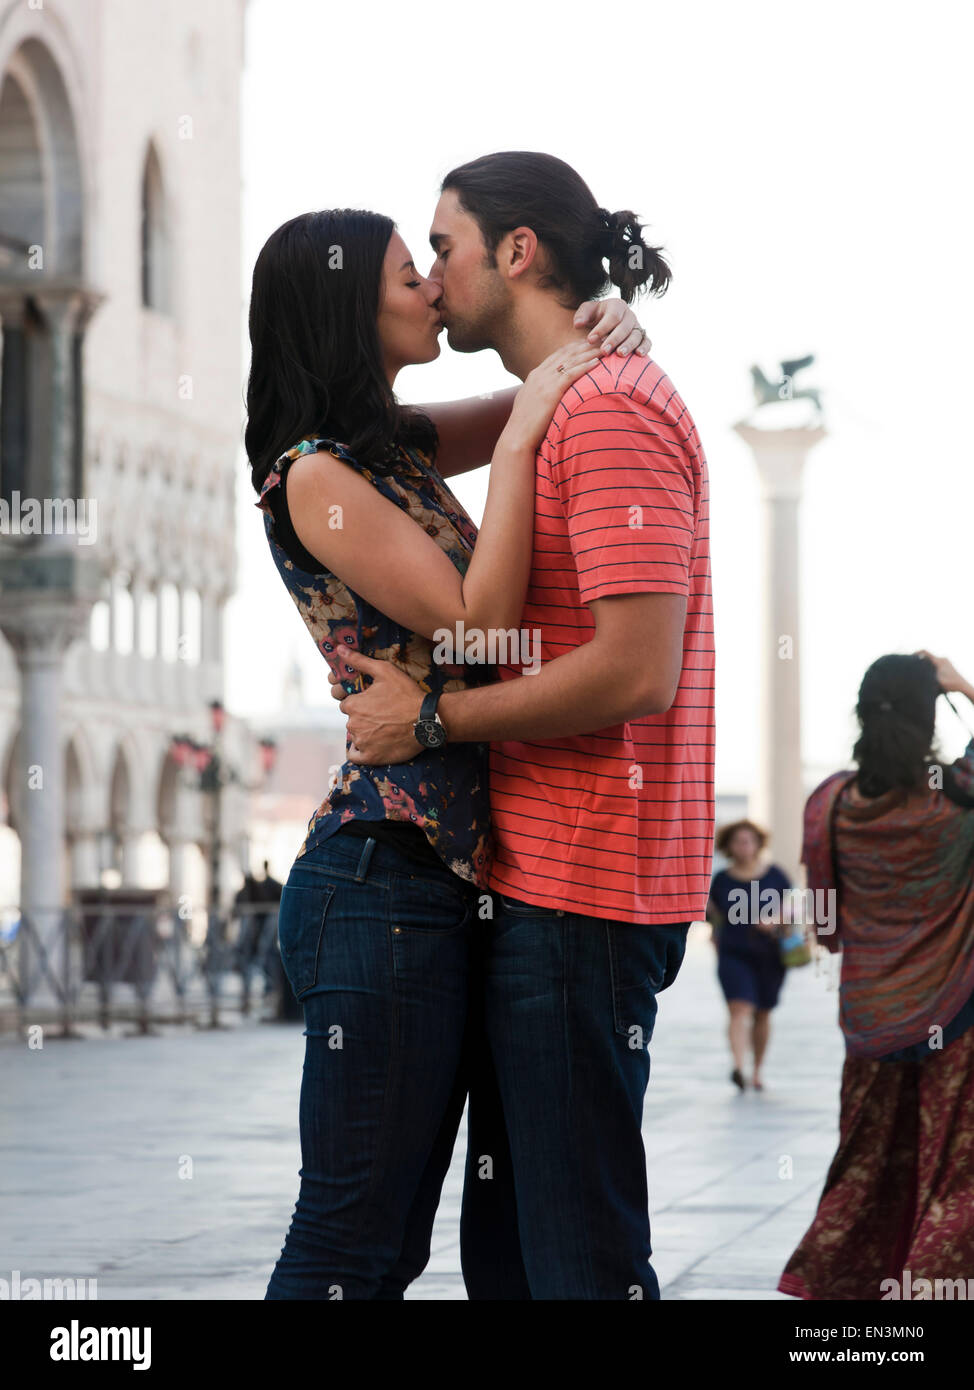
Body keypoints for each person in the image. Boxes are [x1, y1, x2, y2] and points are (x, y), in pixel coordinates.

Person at [330, 151, 715, 1299]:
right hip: (547, 881)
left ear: (516, 250)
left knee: (577, 1258)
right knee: (514, 1257)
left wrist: (435, 720)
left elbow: (635, 672)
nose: (433, 278)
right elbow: (367, 441)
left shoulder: (603, 414)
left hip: (583, 886)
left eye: (440, 247)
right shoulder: (567, 401)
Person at [246, 199, 647, 1300]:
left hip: (447, 881)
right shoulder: (316, 477)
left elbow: (542, 373)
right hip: (379, 875)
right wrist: (519, 440)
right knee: (353, 1243)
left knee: (418, 1242)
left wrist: (605, 318)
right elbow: (474, 623)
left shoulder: (394, 448)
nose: (431, 285)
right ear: (342, 304)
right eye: (404, 271)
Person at [779, 651, 974, 1300]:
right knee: (953, 1176)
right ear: (929, 719)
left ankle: (834, 1290)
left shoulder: (829, 803)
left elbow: (828, 926)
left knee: (865, 1170)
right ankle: (934, 1290)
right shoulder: (959, 797)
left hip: (870, 1023)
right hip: (961, 1017)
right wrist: (960, 685)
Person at [707, 820, 790, 1091]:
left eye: (749, 840)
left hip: (770, 955)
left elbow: (794, 911)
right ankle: (738, 1067)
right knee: (738, 1008)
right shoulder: (721, 880)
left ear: (758, 844)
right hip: (733, 953)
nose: (744, 846)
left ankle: (757, 1071)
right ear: (729, 846)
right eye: (738, 841)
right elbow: (712, 917)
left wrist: (776, 921)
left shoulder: (776, 876)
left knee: (763, 1013)